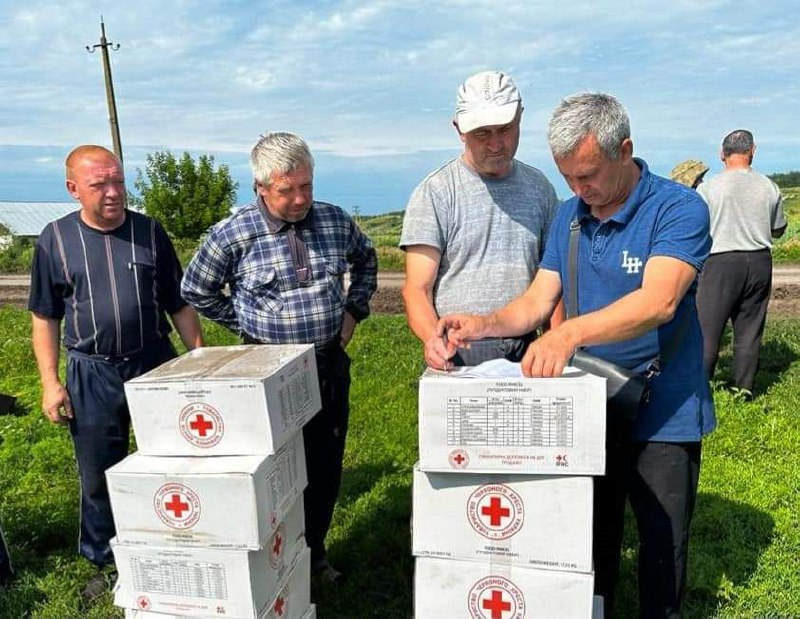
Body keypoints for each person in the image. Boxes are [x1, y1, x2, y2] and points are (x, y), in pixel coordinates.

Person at [439, 93, 716, 617]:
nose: (579, 189)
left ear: (625, 149)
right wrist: (482, 324)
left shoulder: (678, 208)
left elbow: (659, 301)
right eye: (568, 177)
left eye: (588, 174)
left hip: (664, 411)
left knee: (662, 545)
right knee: (590, 537)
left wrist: (566, 336)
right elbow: (536, 302)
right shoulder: (569, 215)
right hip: (590, 405)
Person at [181, 132, 377, 583]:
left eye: (306, 186)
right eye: (287, 190)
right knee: (271, 468)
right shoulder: (232, 234)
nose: (300, 198)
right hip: (264, 374)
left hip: (326, 364)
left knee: (325, 462)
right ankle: (273, 560)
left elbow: (366, 262)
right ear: (260, 188)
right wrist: (245, 326)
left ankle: (315, 552)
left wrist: (352, 312)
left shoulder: (333, 220)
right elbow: (196, 289)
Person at [28, 145, 204, 604]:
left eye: (118, 182)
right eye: (99, 184)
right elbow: (45, 316)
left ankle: (174, 545)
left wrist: (200, 364)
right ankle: (105, 564)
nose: (112, 193)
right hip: (92, 373)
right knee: (98, 475)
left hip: (153, 364)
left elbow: (178, 302)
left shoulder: (149, 231)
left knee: (170, 462)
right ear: (73, 189)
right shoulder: (55, 240)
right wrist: (51, 382)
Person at [400, 70, 559, 369]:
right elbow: (417, 288)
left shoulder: (540, 189)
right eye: (482, 133)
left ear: (520, 118)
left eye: (505, 129)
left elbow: (554, 276)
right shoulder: (436, 191)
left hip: (525, 349)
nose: (496, 144)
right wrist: (430, 339)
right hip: (456, 352)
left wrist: (556, 341)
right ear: (459, 129)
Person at [696, 130, 787, 393]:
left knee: (708, 329)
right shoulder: (769, 186)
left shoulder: (709, 188)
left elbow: (697, 227)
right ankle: (743, 390)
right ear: (752, 151)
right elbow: (778, 229)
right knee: (750, 329)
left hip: (720, 261)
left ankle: (700, 389)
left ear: (721, 154)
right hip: (759, 260)